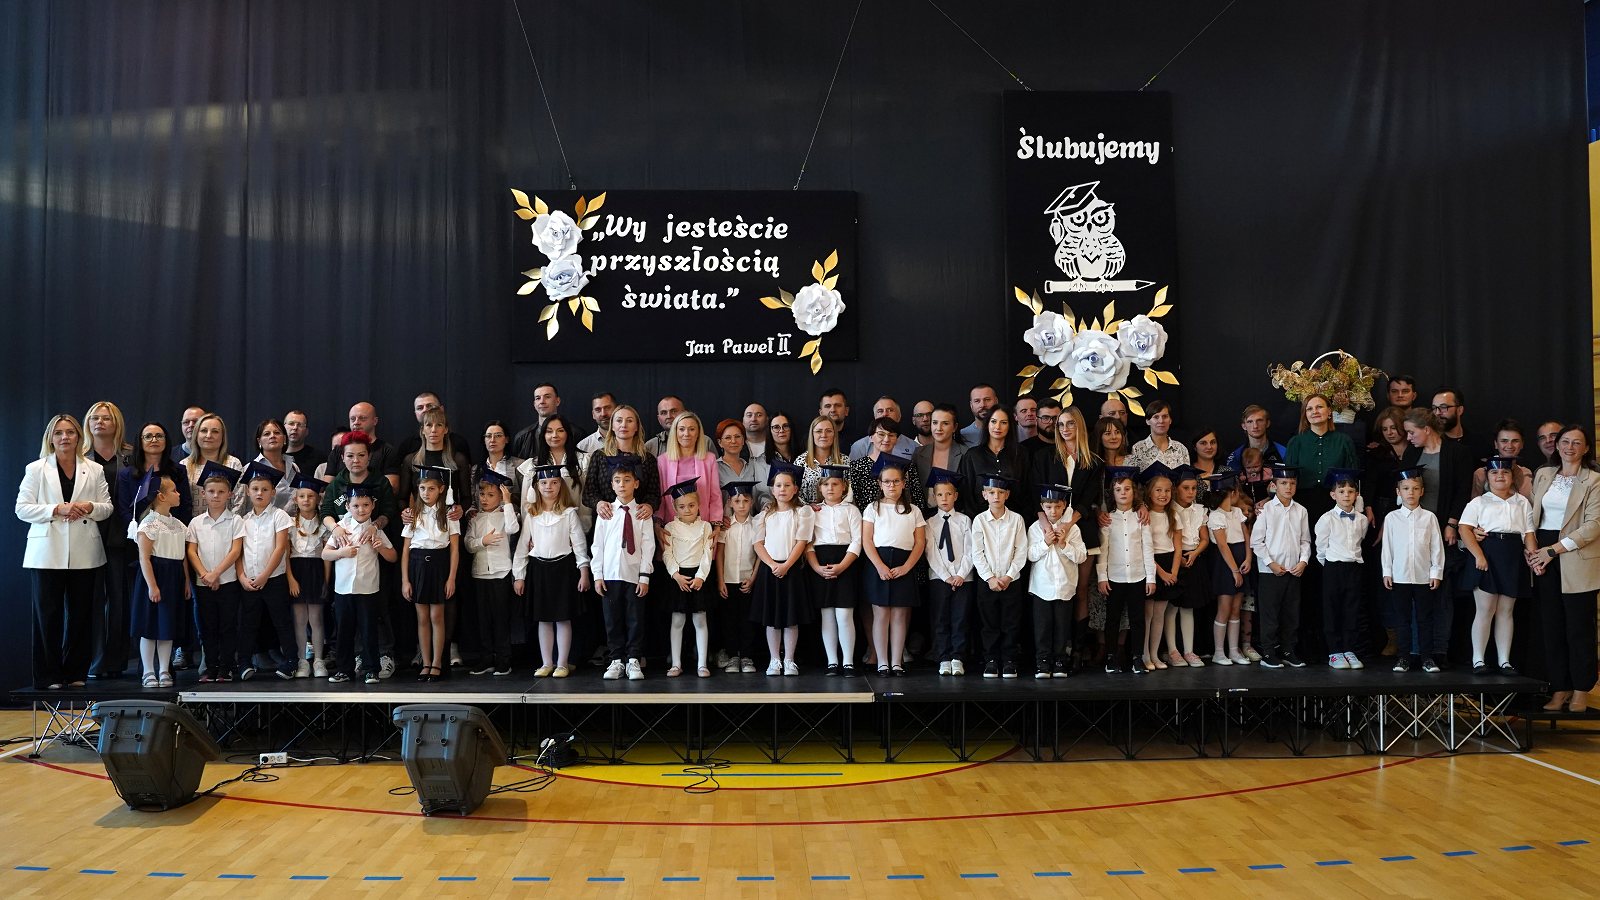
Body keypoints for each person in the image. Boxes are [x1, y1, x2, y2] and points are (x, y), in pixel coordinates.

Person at [17, 413, 113, 689]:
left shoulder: (94, 469)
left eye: (70, 432)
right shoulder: (36, 469)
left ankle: (75, 672)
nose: (64, 437)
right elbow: (22, 508)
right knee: (48, 616)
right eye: (58, 433)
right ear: (50, 438)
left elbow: (107, 508)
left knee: (81, 615)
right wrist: (56, 509)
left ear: (79, 437)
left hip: (85, 550)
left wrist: (90, 507)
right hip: (47, 551)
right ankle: (48, 676)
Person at [1528, 425, 1600, 712]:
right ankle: (1560, 688)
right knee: (1552, 627)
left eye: (1577, 443)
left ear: (1586, 448)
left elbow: (1593, 525)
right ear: (1557, 445)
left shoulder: (1594, 480)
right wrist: (1532, 551)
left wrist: (1552, 550)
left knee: (1579, 629)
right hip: (1542, 552)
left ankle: (1582, 689)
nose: (1570, 447)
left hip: (1574, 555)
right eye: (1565, 441)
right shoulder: (1544, 474)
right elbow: (1531, 515)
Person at [319, 431, 401, 680]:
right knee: (345, 622)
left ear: (369, 456)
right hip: (343, 560)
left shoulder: (379, 481)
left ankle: (379, 658)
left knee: (376, 614)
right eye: (350, 456)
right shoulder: (337, 483)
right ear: (342, 457)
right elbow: (325, 511)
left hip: (373, 556)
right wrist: (336, 529)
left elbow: (389, 510)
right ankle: (350, 663)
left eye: (361, 455)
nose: (356, 460)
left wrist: (375, 527)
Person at [1028, 406, 1101, 660]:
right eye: (1060, 424)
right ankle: (1054, 650)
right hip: (1048, 526)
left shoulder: (1093, 461)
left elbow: (1088, 499)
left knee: (1080, 590)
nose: (1065, 429)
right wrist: (1046, 526)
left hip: (1080, 528)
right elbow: (1035, 496)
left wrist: (1069, 525)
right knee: (1052, 590)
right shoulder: (1044, 456)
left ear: (1079, 426)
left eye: (1070, 423)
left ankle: (1076, 650)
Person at [513, 464, 591, 679]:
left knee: (563, 618)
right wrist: (519, 575)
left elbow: (579, 545)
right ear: (537, 487)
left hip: (563, 570)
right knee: (543, 619)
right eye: (544, 483)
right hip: (539, 570)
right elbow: (523, 545)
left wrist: (584, 572)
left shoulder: (569, 513)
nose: (549, 486)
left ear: (560, 485)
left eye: (554, 482)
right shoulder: (532, 514)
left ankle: (562, 663)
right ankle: (547, 662)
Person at [1458, 457, 1534, 675]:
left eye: (1505, 472)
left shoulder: (1522, 502)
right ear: (1487, 478)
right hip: (1487, 553)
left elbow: (1528, 533)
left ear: (1512, 477)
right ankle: (1478, 659)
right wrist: (1479, 555)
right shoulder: (1479, 502)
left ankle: (1504, 660)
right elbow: (1464, 529)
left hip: (1513, 555)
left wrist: (1532, 557)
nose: (1500, 476)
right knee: (1485, 609)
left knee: (1506, 611)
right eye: (1494, 473)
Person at [591, 454, 655, 681]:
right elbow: (597, 546)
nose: (622, 485)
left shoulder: (642, 513)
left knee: (635, 619)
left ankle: (633, 659)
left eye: (627, 480)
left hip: (634, 575)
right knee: (612, 619)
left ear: (636, 483)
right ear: (611, 484)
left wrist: (645, 576)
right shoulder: (606, 512)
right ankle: (616, 659)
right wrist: (597, 575)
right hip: (610, 575)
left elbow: (648, 546)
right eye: (617, 481)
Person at [83, 401, 135, 679]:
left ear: (117, 423)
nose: (100, 422)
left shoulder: (130, 456)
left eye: (106, 418)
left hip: (120, 536)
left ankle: (115, 661)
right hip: (85, 533)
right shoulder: (79, 455)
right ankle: (92, 661)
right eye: (95, 418)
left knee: (118, 598)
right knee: (89, 598)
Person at [862, 456, 926, 676]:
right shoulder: (873, 508)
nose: (891, 485)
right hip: (878, 563)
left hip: (903, 564)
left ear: (903, 483)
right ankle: (882, 662)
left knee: (899, 615)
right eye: (887, 482)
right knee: (881, 615)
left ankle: (897, 661)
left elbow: (920, 543)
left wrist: (907, 567)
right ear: (880, 484)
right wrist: (879, 566)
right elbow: (867, 540)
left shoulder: (914, 510)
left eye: (896, 481)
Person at [751, 462, 814, 676]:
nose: (782, 489)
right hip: (770, 570)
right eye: (778, 485)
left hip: (792, 569)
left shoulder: (802, 512)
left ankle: (789, 659)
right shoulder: (765, 515)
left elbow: (801, 541)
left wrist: (786, 565)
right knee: (772, 619)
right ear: (772, 489)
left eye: (787, 485)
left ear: (795, 489)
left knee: (790, 618)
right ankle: (774, 660)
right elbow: (758, 544)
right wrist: (772, 565)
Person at [1383, 464, 1446, 673]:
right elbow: (1388, 548)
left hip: (1423, 577)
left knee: (1425, 619)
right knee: (1402, 619)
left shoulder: (1429, 518)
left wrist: (1436, 572)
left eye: (1415, 488)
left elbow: (1436, 547)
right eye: (1406, 488)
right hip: (1400, 576)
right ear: (1398, 492)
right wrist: (1387, 571)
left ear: (1422, 491)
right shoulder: (1392, 518)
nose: (1411, 493)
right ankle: (1403, 657)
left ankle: (1427, 658)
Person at [127, 470, 187, 689]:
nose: (179, 494)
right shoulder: (149, 524)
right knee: (149, 627)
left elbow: (182, 557)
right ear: (161, 496)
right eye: (174, 491)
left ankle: (164, 669)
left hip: (173, 578)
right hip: (154, 578)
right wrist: (152, 586)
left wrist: (186, 581)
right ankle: (148, 671)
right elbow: (144, 558)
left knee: (167, 626)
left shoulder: (178, 525)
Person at [237, 460, 297, 680]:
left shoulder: (279, 516)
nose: (259, 493)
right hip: (249, 581)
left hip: (274, 579)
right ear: (248, 491)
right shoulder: (243, 520)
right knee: (248, 623)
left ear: (273, 492)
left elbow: (280, 548)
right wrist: (242, 577)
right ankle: (244, 662)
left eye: (264, 489)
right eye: (255, 489)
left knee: (282, 621)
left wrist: (265, 575)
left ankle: (291, 661)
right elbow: (238, 552)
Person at [185, 461, 244, 680]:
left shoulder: (236, 521)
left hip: (228, 582)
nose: (216, 496)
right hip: (203, 583)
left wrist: (216, 573)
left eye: (221, 492)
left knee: (227, 626)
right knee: (206, 627)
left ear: (230, 494)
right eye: (211, 491)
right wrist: (205, 575)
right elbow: (191, 551)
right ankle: (210, 667)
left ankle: (226, 667)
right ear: (204, 493)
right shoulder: (196, 522)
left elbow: (235, 551)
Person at [402, 466, 460, 682]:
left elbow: (454, 549)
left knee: (437, 616)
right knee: (422, 617)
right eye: (422, 488)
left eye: (431, 488)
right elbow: (406, 550)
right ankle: (425, 662)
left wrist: (451, 578)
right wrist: (405, 580)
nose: (426, 493)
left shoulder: (449, 514)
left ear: (441, 489)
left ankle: (437, 662)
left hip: (439, 566)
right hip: (417, 566)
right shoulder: (413, 514)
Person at [1251, 463, 1311, 669]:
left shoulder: (1301, 511)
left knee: (1291, 613)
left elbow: (1305, 540)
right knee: (1270, 614)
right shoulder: (1266, 510)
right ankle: (1268, 652)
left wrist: (1303, 561)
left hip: (1293, 570)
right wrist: (1271, 563)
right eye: (1284, 483)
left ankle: (1288, 650)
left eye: (1292, 483)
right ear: (1274, 485)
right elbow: (1256, 541)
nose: (1288, 487)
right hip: (1271, 571)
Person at [1098, 466, 1156, 674]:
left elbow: (1148, 548)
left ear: (1134, 492)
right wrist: (1102, 577)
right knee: (1112, 619)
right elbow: (1103, 551)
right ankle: (1111, 657)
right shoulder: (1107, 520)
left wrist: (1151, 578)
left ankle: (1137, 658)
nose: (1123, 493)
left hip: (1138, 577)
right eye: (1118, 489)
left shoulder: (1141, 518)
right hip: (1115, 577)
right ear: (1112, 494)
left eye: (1127, 489)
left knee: (1137, 619)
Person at [806, 463, 862, 676]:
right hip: (820, 564)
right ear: (820, 487)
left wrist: (842, 566)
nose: (830, 488)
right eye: (826, 484)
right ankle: (832, 661)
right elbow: (808, 542)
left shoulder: (851, 510)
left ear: (844, 487)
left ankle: (848, 662)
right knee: (827, 614)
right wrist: (816, 568)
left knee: (845, 614)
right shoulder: (812, 512)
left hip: (845, 563)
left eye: (835, 484)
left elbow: (857, 541)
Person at [970, 473, 1026, 678]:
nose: (996, 496)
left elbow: (1021, 551)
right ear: (984, 495)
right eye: (992, 492)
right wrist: (990, 578)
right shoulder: (979, 521)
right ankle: (991, 660)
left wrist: (1009, 576)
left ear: (1007, 495)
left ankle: (1009, 660)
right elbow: (977, 553)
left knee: (1011, 623)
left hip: (1011, 581)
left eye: (1001, 492)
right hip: (988, 582)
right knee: (989, 623)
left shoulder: (1016, 520)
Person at [465, 470, 520, 677]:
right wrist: (483, 541)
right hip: (480, 574)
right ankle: (486, 658)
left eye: (490, 495)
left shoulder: (506, 515)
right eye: (482, 494)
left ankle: (504, 659)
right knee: (483, 620)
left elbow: (513, 529)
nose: (485, 499)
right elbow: (468, 544)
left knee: (501, 618)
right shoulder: (475, 518)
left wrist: (508, 502)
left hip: (501, 573)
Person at [1029, 483, 1086, 678]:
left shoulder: (1073, 530)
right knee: (1042, 627)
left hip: (1064, 587)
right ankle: (1043, 662)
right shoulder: (1035, 528)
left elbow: (1081, 557)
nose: (1053, 511)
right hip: (1041, 588)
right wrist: (1045, 543)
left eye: (1057, 506)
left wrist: (1063, 544)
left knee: (1062, 626)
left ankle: (1060, 660)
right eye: (1048, 507)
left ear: (1064, 506)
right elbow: (1029, 555)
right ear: (1042, 507)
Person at [1314, 468, 1369, 670]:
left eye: (1350, 491)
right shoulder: (1326, 519)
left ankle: (1349, 649)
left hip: (1354, 567)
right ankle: (1334, 651)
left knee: (1351, 609)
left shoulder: (1362, 520)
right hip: (1333, 567)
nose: (1346, 495)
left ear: (1356, 494)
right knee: (1332, 609)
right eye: (1342, 491)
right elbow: (1321, 548)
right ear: (1333, 495)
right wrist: (1330, 564)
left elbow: (1360, 540)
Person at [661, 478, 716, 678]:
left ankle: (702, 664)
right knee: (677, 621)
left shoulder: (705, 527)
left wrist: (701, 577)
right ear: (675, 508)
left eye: (691, 505)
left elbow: (707, 554)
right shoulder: (670, 527)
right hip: (679, 578)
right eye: (682, 506)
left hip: (699, 578)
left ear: (698, 505)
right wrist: (675, 574)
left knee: (700, 620)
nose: (687, 510)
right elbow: (667, 554)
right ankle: (676, 664)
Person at [925, 469, 974, 676]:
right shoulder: (930, 523)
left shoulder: (965, 520)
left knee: (960, 618)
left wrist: (961, 574)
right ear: (934, 497)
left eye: (948, 494)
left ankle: (957, 657)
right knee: (940, 619)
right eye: (939, 494)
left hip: (964, 578)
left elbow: (971, 550)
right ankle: (943, 657)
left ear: (956, 495)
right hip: (939, 578)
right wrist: (947, 576)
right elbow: (931, 553)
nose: (944, 498)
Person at [1163, 467, 1211, 667]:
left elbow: (1205, 538)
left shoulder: (1199, 510)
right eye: (1186, 488)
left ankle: (1189, 651)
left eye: (1193, 488)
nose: (1191, 492)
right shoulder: (1169, 510)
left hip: (1193, 559)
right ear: (1176, 489)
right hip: (1175, 560)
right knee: (1171, 608)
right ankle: (1172, 650)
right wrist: (1179, 557)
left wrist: (1195, 553)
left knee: (1188, 607)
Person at [1286, 395, 1359, 524]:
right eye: (1309, 409)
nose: (1315, 411)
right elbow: (1288, 478)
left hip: (1337, 502)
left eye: (1319, 407)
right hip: (1302, 503)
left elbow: (1352, 476)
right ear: (1305, 415)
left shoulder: (1344, 441)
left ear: (1329, 411)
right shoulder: (1296, 442)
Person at [285, 475, 331, 678]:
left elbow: (327, 557)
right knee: (299, 619)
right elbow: (285, 554)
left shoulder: (324, 525)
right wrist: (290, 579)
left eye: (311, 496)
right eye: (302, 496)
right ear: (295, 499)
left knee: (316, 618)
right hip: (296, 571)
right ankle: (302, 660)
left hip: (316, 570)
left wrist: (326, 581)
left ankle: (319, 660)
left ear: (318, 499)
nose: (306, 500)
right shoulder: (289, 524)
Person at [583, 406, 661, 522]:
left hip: (638, 521)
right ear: (612, 426)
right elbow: (588, 493)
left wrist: (649, 506)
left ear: (636, 427)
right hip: (607, 521)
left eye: (629, 421)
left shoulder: (647, 459)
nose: (624, 425)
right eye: (619, 420)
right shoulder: (599, 456)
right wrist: (598, 503)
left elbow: (654, 494)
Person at [1207, 472, 1252, 666]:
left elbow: (1246, 536)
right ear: (1232, 493)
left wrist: (1248, 558)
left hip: (1241, 562)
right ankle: (1219, 652)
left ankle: (1234, 650)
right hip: (1226, 565)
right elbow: (1223, 545)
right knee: (1224, 608)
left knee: (1236, 608)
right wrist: (1234, 571)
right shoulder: (1216, 516)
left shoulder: (1237, 512)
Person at [716, 481, 761, 674]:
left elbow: (759, 555)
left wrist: (753, 578)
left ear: (752, 502)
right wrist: (720, 580)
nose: (741, 505)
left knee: (747, 620)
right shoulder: (725, 526)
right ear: (730, 503)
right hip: (728, 580)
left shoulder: (757, 525)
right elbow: (720, 553)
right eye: (737, 501)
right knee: (729, 620)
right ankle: (733, 655)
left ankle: (747, 656)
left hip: (747, 580)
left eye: (745, 500)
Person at [1140, 466, 1179, 672]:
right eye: (1158, 490)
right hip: (1151, 564)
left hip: (1169, 563)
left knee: (1160, 615)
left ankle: (1155, 654)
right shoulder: (1144, 515)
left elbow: (1178, 547)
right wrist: (1161, 573)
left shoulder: (1173, 515)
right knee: (1148, 614)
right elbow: (1143, 549)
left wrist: (1173, 572)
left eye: (1167, 490)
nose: (1163, 494)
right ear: (1149, 492)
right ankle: (1145, 654)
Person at [523, 413, 589, 532]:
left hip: (575, 528)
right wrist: (529, 533)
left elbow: (586, 500)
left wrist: (582, 529)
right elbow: (526, 503)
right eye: (549, 431)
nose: (554, 435)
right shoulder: (533, 465)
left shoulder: (583, 461)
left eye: (560, 430)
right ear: (543, 435)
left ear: (567, 433)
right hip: (541, 530)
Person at [655, 412, 722, 527]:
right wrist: (658, 524)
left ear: (698, 433)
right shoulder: (662, 461)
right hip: (671, 527)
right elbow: (661, 497)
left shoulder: (709, 459)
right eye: (681, 429)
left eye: (692, 429)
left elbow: (715, 495)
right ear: (675, 432)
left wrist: (716, 524)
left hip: (703, 526)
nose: (686, 434)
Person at [957, 407, 1023, 517]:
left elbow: (1026, 491)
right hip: (980, 520)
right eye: (993, 421)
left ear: (1010, 426)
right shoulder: (972, 456)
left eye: (1003, 422)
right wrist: (978, 521)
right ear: (987, 424)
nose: (997, 427)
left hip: (1014, 520)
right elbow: (967, 495)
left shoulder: (1021, 454)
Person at [324, 403, 402, 490]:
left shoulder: (387, 451)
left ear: (375, 421)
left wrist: (362, 496)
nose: (356, 422)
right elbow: (327, 487)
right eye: (352, 419)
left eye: (362, 418)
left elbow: (392, 488)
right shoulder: (338, 450)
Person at [851, 418, 922, 513]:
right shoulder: (857, 467)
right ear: (871, 437)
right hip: (868, 519)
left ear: (896, 439)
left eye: (891, 435)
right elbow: (854, 501)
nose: (886, 439)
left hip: (902, 517)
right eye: (881, 434)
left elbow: (918, 499)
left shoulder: (906, 466)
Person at [181, 413, 243, 520]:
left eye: (215, 431)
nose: (209, 435)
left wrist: (231, 525)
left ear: (222, 437)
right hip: (193, 527)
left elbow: (240, 500)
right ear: (196, 435)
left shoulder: (233, 463)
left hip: (228, 525)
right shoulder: (184, 465)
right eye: (204, 431)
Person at [233, 418, 300, 513]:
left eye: (277, 433)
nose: (272, 436)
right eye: (267, 434)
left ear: (284, 439)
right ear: (259, 441)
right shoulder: (250, 469)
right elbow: (242, 505)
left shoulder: (294, 467)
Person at [397, 392, 474, 464]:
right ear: (415, 413)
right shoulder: (407, 446)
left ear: (441, 409)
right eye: (420, 408)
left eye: (429, 406)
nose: (425, 410)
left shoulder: (459, 443)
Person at [714, 419, 771, 513]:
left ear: (743, 440)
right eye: (728, 438)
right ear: (720, 442)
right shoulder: (714, 468)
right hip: (725, 521)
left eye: (737, 436)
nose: (733, 441)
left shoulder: (752, 466)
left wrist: (766, 505)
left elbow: (760, 494)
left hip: (751, 520)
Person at [1470, 420, 1534, 499]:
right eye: (1504, 441)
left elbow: (1530, 502)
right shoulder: (1481, 474)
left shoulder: (1525, 473)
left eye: (1515, 441)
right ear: (1496, 444)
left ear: (1522, 444)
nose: (1510, 446)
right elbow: (1474, 503)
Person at [795, 416, 847, 506]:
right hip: (807, 511)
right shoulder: (800, 462)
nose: (823, 435)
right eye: (819, 431)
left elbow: (849, 492)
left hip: (838, 511)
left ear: (834, 434)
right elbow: (794, 492)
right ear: (812, 434)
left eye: (828, 431)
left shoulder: (844, 461)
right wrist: (809, 507)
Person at [476, 420, 525, 513]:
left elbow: (525, 499)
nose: (492, 440)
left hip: (511, 518)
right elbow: (474, 500)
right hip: (483, 519)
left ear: (506, 439)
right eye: (488, 436)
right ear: (484, 440)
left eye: (498, 436)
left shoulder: (520, 465)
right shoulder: (476, 469)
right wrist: (471, 511)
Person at [847, 396, 916, 461]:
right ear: (875, 417)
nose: (885, 414)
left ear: (899, 416)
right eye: (880, 411)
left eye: (890, 410)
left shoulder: (914, 447)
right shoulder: (859, 447)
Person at [1127, 401, 1189, 471]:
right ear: (1147, 421)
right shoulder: (1138, 449)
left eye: (1165, 416)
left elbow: (1186, 476)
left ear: (1170, 420)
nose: (1161, 421)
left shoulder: (1181, 449)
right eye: (1156, 417)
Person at [510, 383, 563, 460]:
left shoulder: (575, 434)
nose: (542, 401)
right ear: (534, 404)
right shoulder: (522, 438)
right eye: (538, 398)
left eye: (547, 397)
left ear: (557, 401)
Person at [1226, 405, 1287, 471]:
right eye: (1250, 422)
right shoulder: (1236, 456)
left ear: (1267, 423)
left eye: (1259, 420)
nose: (1255, 426)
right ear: (1244, 426)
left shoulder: (1283, 452)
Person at [283, 410, 320, 475]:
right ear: (283, 428)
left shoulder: (318, 459)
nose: (295, 428)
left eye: (300, 425)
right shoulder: (273, 455)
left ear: (306, 431)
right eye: (291, 423)